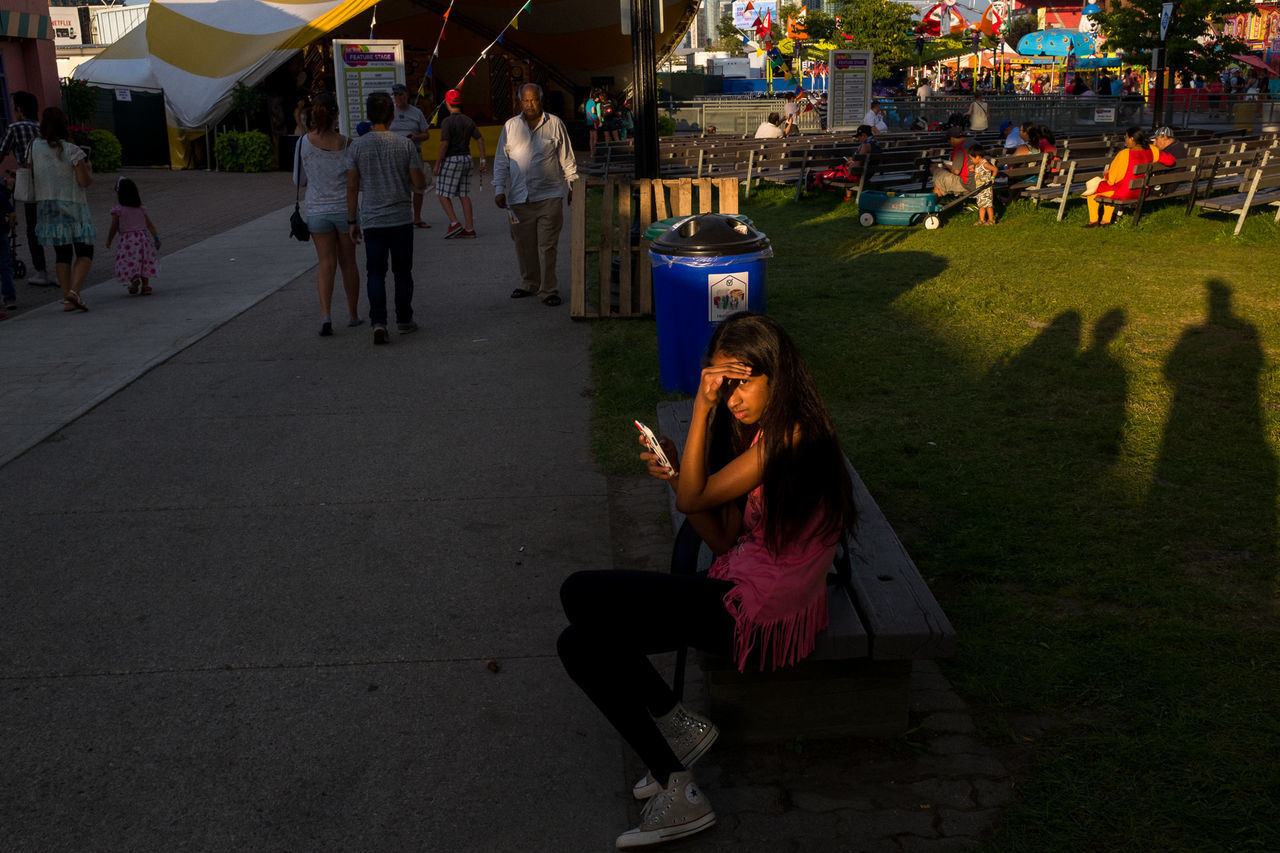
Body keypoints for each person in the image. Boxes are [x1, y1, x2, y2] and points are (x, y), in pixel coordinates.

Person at [557, 311, 856, 849]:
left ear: (776, 376)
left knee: (581, 598)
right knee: (582, 637)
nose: (730, 398)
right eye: (720, 384)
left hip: (758, 610)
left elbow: (694, 501)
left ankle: (679, 783)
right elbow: (720, 538)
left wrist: (700, 409)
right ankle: (675, 735)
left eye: (739, 382)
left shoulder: (790, 439)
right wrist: (677, 472)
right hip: (742, 586)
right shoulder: (766, 435)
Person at [346, 90, 428, 343]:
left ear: (368, 117)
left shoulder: (357, 146)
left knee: (375, 273)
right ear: (392, 116)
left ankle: (378, 322)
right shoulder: (405, 144)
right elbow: (419, 183)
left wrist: (352, 221)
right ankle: (404, 319)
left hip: (372, 220)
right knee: (403, 272)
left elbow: (351, 187)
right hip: (401, 219)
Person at [492, 83, 577, 307]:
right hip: (519, 199)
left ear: (541, 100)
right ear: (519, 102)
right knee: (524, 244)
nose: (530, 105)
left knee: (547, 245)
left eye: (534, 100)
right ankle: (530, 282)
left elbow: (566, 157)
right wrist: (499, 189)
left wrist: (572, 186)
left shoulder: (555, 123)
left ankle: (548, 289)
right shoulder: (511, 126)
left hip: (549, 196)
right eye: (525, 101)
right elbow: (501, 160)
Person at [294, 92, 362, 336]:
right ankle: (353, 314)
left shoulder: (302, 143)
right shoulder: (348, 144)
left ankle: (326, 315)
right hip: (345, 211)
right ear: (336, 115)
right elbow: (355, 184)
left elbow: (299, 180)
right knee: (349, 264)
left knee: (325, 264)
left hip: (317, 211)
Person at [30, 107, 94, 312]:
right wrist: (89, 169)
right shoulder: (72, 150)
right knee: (85, 251)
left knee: (62, 254)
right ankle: (74, 292)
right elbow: (84, 181)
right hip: (73, 206)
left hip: (48, 208)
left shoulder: (34, 147)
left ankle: (67, 300)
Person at [0, 90, 50, 287]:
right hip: (50, 181)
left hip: (31, 183)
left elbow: (2, 153)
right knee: (52, 224)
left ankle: (41, 271)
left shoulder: (15, 127)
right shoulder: (42, 128)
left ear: (19, 109)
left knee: (33, 228)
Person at [1082, 125, 1175, 228]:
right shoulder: (1152, 150)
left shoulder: (1124, 154)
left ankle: (1094, 221)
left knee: (1092, 190)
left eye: (1126, 137)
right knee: (1106, 191)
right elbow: (1170, 160)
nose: (1125, 140)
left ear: (1132, 139)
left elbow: (1112, 180)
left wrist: (1106, 175)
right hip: (1142, 191)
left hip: (1126, 192)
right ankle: (1105, 221)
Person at [433, 89, 486, 240]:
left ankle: (454, 222)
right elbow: (480, 139)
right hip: (466, 159)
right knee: (463, 194)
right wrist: (482, 159)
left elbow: (444, 144)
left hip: (452, 159)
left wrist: (437, 164)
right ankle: (470, 229)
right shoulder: (468, 120)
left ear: (447, 104)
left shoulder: (447, 122)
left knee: (442, 193)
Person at [104, 177, 160, 296]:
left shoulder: (118, 210)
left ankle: (134, 281)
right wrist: (156, 238)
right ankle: (146, 286)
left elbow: (113, 227)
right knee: (143, 262)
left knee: (129, 262)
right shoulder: (141, 208)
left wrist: (109, 240)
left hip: (127, 242)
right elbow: (150, 225)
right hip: (142, 240)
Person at [389, 83, 432, 229]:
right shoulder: (389, 112)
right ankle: (399, 217)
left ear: (406, 95)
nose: (398, 98)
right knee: (397, 186)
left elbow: (426, 134)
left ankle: (417, 218)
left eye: (401, 94)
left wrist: (416, 137)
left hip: (414, 153)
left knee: (418, 186)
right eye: (395, 95)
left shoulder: (416, 112)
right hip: (394, 155)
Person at [930, 126, 975, 197]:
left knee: (937, 172)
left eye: (948, 141)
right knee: (941, 174)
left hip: (967, 185)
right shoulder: (974, 142)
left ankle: (934, 204)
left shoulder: (960, 149)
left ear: (952, 139)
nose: (949, 143)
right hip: (981, 181)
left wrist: (947, 164)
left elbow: (956, 171)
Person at [968, 144, 998, 225]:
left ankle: (991, 220)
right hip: (980, 188)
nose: (971, 160)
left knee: (988, 205)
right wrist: (974, 170)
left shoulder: (985, 164)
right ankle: (982, 219)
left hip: (986, 189)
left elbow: (995, 169)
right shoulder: (977, 165)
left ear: (977, 157)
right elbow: (981, 174)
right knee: (981, 204)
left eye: (972, 158)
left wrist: (993, 178)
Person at [0, 187, 14, 311]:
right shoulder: (1, 194)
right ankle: (9, 298)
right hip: (2, 233)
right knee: (5, 266)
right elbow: (12, 213)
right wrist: (9, 225)